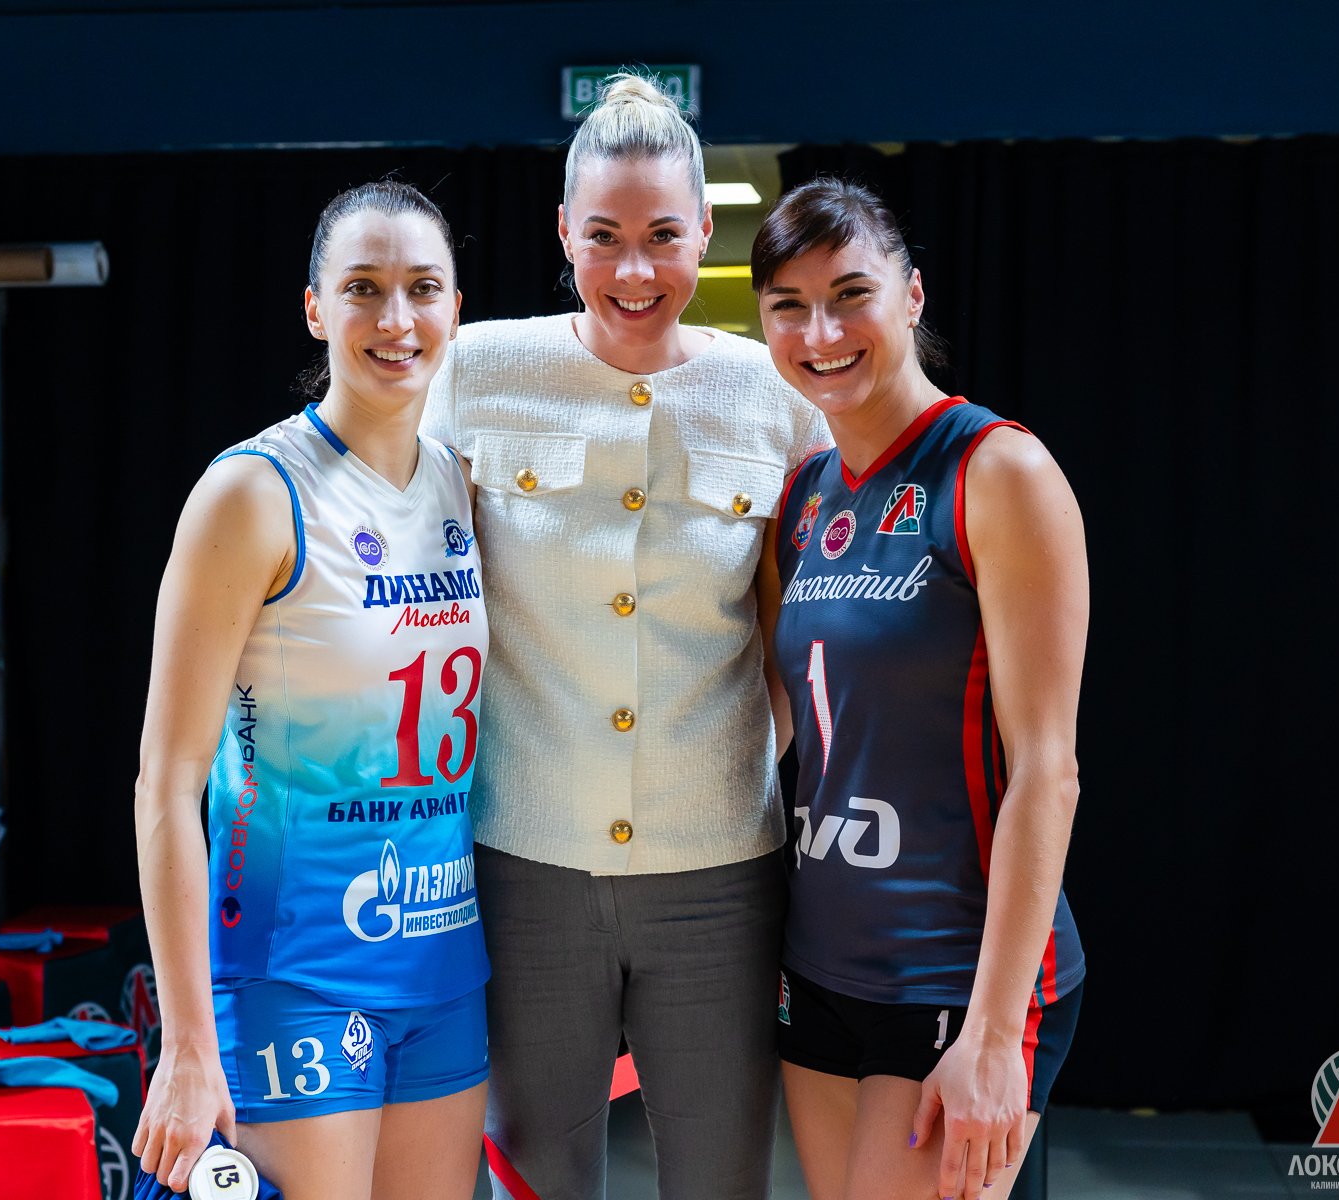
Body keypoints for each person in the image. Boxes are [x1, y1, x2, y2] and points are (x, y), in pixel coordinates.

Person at [419, 74, 831, 1200]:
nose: (634, 272)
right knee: (536, 1178)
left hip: (722, 872)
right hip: (525, 863)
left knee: (721, 1179)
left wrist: (749, 761)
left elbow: (798, 625)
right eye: (603, 236)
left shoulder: (774, 396)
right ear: (564, 233)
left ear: (707, 231)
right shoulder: (476, 371)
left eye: (663, 237)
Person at [131, 181, 490, 1200]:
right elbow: (166, 785)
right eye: (363, 288)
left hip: (444, 969)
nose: (396, 318)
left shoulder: (465, 484)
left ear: (456, 308)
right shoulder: (252, 492)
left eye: (423, 288)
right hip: (296, 977)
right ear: (315, 309)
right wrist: (187, 1041)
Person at [752, 176, 1087, 1200]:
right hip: (819, 970)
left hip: (956, 977)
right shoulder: (803, 498)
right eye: (789, 307)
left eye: (851, 294)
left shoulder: (997, 469)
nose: (821, 333)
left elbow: (1048, 770)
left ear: (912, 294)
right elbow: (779, 727)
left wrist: (993, 1031)